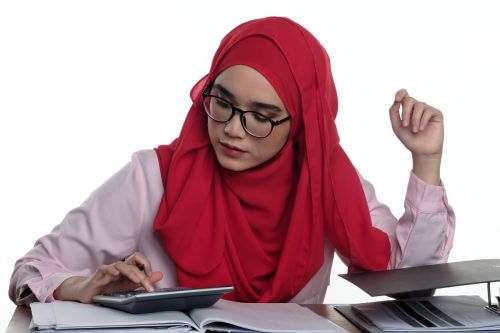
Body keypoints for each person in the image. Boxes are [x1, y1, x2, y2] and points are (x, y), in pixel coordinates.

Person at [9, 16, 455, 305]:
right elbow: (31, 271)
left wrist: (426, 161)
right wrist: (81, 288)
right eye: (221, 102)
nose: (232, 129)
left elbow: (408, 283)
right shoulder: (154, 178)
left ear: (300, 123)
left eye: (261, 116)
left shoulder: (327, 184)